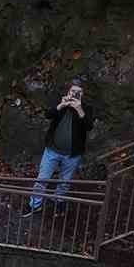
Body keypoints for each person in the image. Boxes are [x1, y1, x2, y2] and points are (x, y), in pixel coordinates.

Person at [24, 76, 95, 217]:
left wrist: (79, 109)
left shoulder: (86, 108)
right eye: (73, 91)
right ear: (68, 91)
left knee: (64, 182)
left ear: (82, 94)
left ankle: (59, 202)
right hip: (52, 150)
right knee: (42, 179)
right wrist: (60, 106)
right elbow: (48, 115)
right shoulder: (60, 102)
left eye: (78, 92)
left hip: (72, 154)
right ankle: (34, 205)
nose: (75, 95)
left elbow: (89, 126)